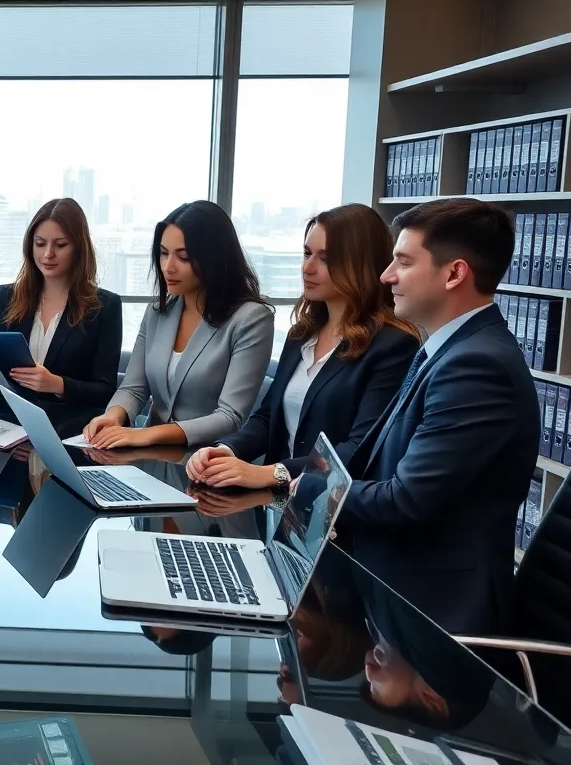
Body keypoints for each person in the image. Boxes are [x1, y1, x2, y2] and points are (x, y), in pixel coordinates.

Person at [341, 198, 539, 635]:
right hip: (395, 581)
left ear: (454, 273)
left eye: (403, 261)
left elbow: (406, 500)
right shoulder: (448, 348)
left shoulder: (476, 366)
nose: (385, 275)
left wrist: (310, 489)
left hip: (436, 616)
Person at [186, 204, 421, 489]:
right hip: (277, 505)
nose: (307, 267)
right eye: (307, 253)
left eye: (326, 258)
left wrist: (271, 473)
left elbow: (359, 446)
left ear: (360, 264)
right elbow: (268, 417)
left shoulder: (393, 345)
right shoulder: (302, 333)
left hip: (335, 513)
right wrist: (226, 450)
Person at [82, 200, 273, 449]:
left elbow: (229, 417)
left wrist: (146, 435)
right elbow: (134, 387)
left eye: (183, 257)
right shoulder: (158, 311)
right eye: (163, 253)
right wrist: (112, 417)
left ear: (214, 258)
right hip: (150, 459)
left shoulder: (251, 319)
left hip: (206, 463)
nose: (167, 267)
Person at [0, 198, 122, 406]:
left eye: (61, 245)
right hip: (4, 423)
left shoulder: (104, 307)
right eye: (40, 244)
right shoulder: (7, 296)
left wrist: (57, 384)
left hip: (67, 427)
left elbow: (105, 391)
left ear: (79, 248)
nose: (48, 254)